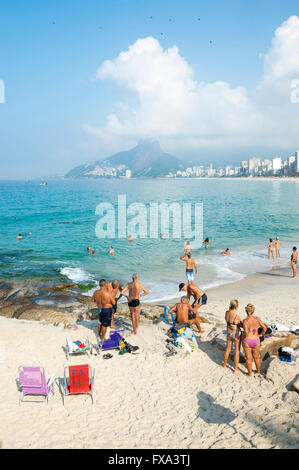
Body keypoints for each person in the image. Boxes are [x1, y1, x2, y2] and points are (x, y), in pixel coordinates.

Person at [242, 304, 267, 378]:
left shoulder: (245, 321)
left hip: (247, 340)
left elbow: (246, 332)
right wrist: (261, 334)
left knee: (249, 358)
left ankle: (249, 374)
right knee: (256, 357)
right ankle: (258, 372)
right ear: (253, 311)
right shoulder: (257, 319)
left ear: (246, 311)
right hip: (256, 340)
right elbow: (264, 327)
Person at [223, 300, 242, 374]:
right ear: (236, 307)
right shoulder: (236, 316)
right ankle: (236, 369)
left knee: (227, 349)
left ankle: (224, 365)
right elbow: (241, 325)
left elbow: (227, 320)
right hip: (236, 334)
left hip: (229, 332)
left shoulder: (226, 312)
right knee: (236, 351)